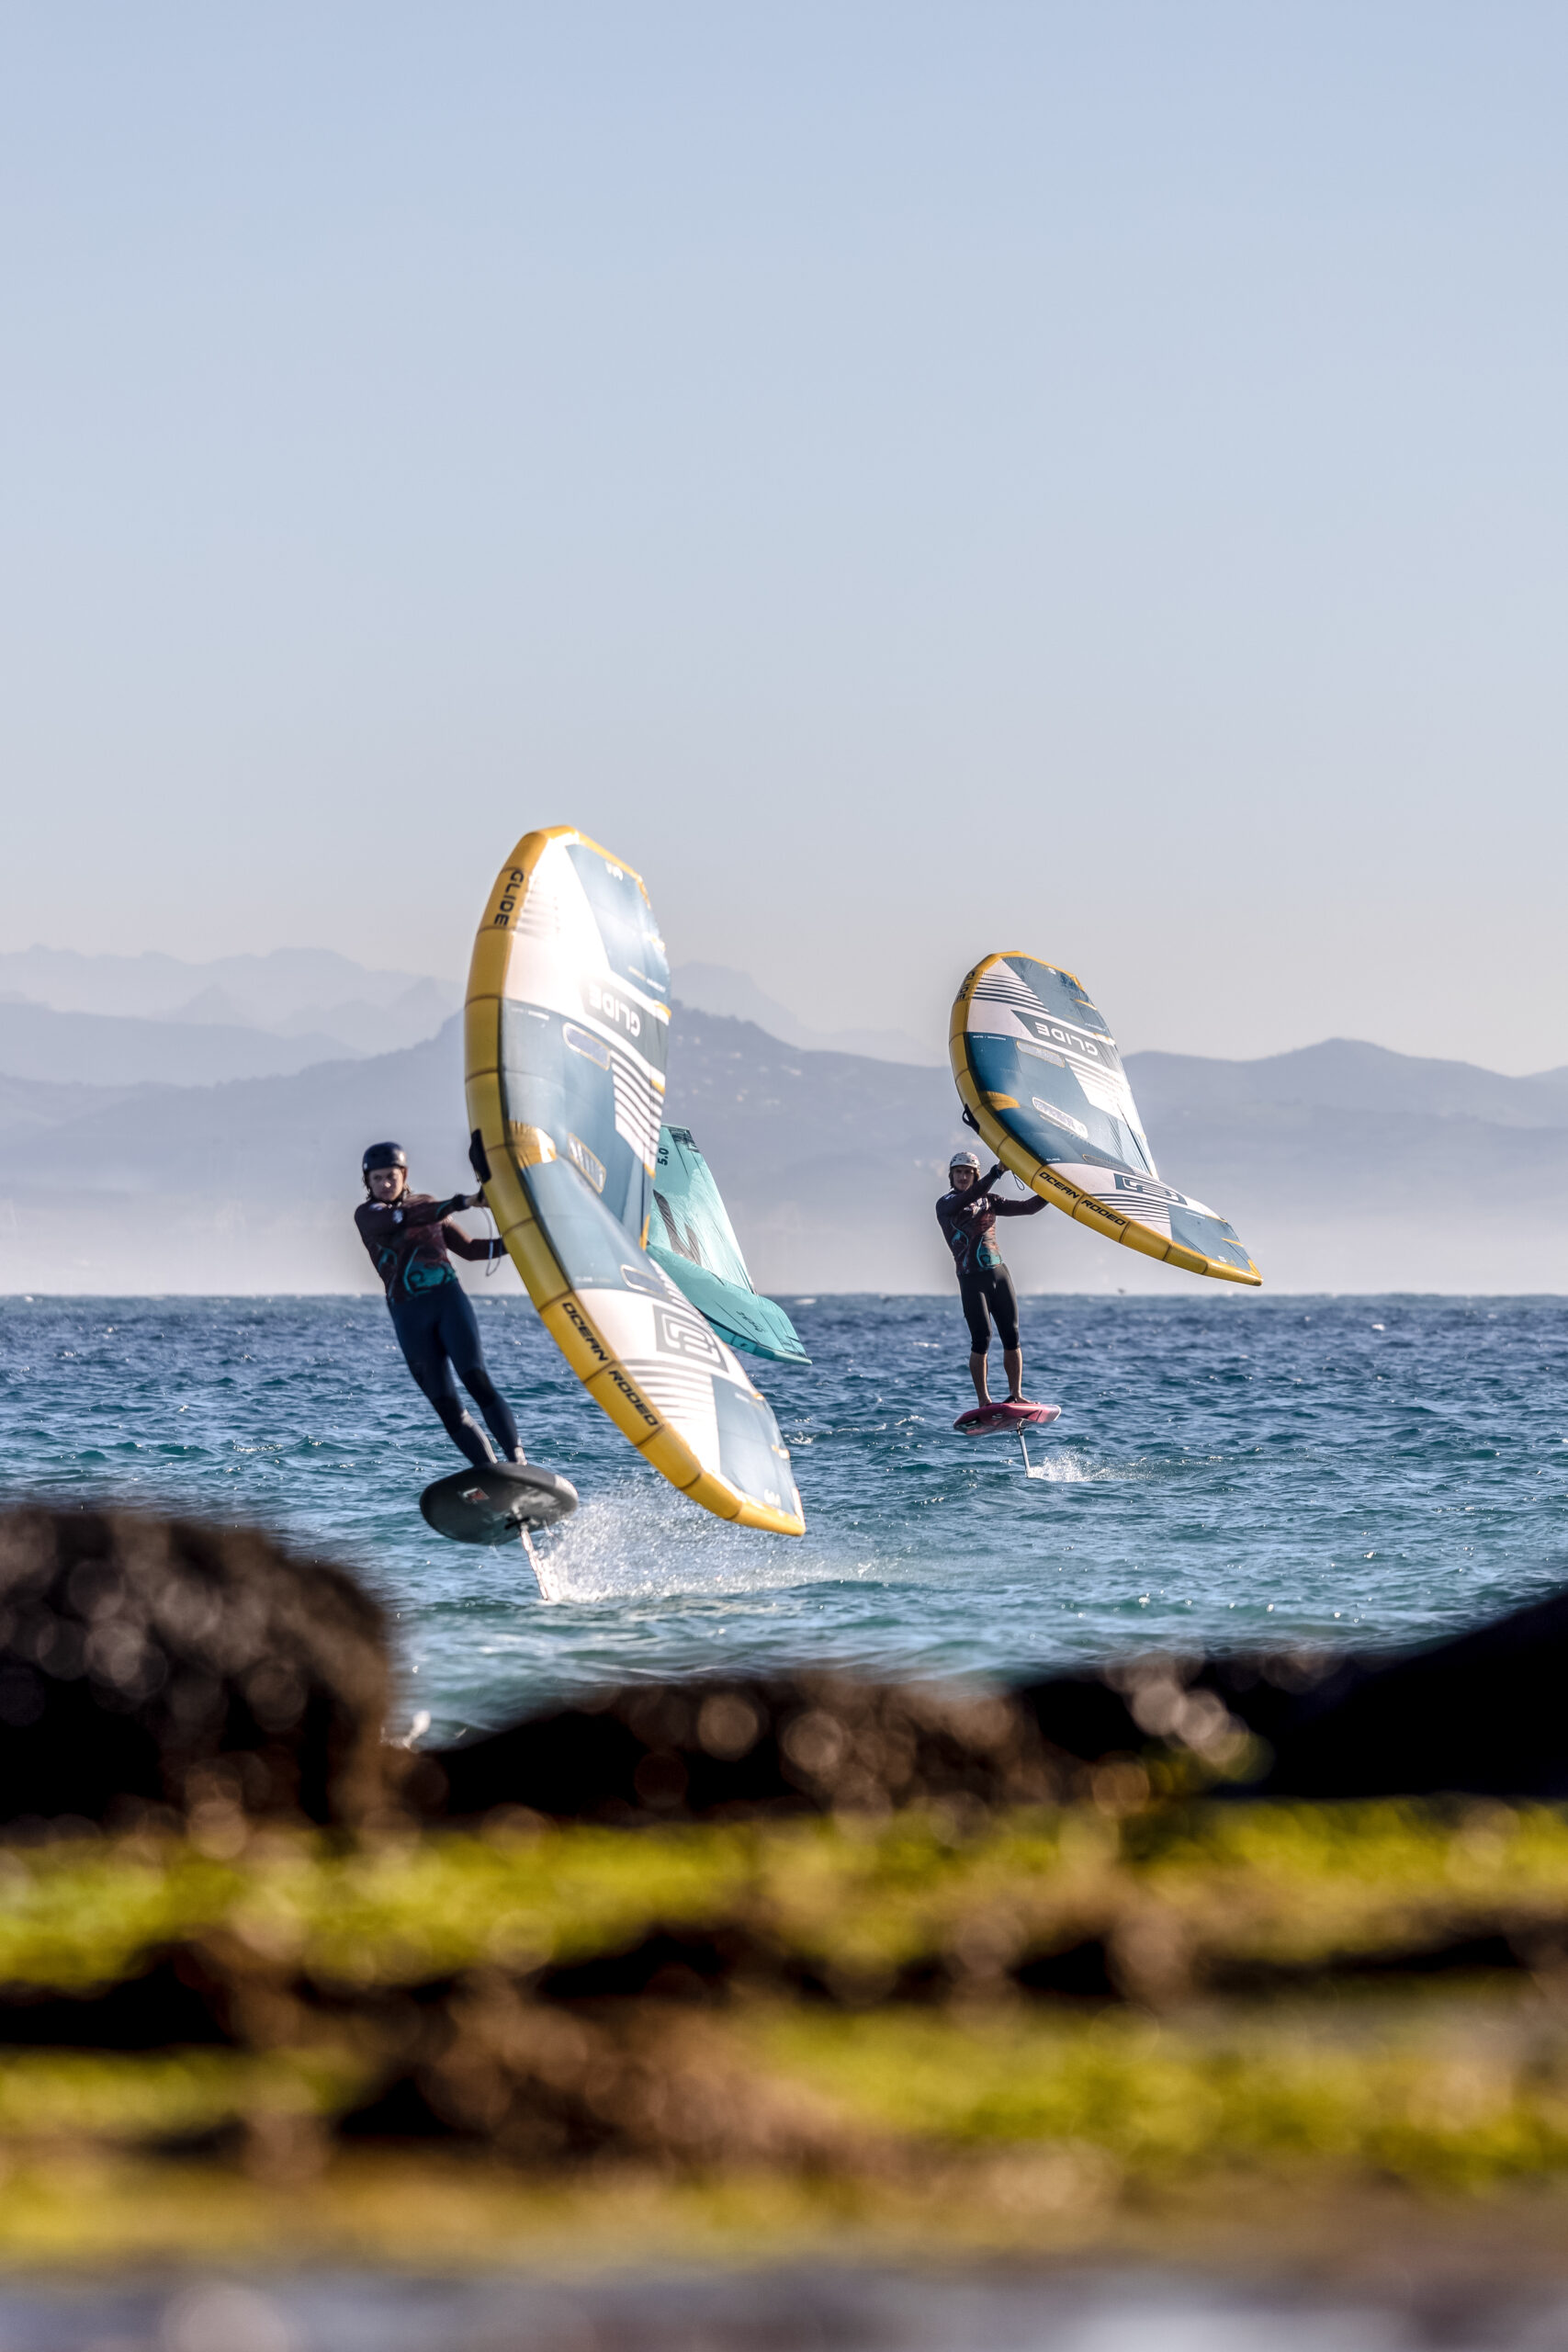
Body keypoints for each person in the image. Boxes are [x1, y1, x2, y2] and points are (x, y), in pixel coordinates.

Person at [354, 1142, 525, 1471]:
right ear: (368, 1183)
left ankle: (517, 1460)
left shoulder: (429, 1207)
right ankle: (491, 1474)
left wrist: (519, 1239)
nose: (385, 1184)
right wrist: (465, 1202)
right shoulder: (368, 1216)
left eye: (391, 1176)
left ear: (404, 1175)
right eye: (377, 1179)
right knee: (447, 1406)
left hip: (448, 1303)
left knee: (477, 1381)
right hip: (408, 1317)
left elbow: (472, 1249)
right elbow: (402, 1219)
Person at [935, 1148, 1046, 1408]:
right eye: (958, 1172)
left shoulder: (989, 1200)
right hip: (971, 1279)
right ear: (951, 1176)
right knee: (981, 1339)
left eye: (968, 1172)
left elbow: (1028, 1208)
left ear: (975, 1175)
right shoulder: (945, 1204)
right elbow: (966, 1199)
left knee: (1012, 1335)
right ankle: (984, 1401)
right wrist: (997, 1171)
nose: (963, 1177)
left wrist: (1055, 1193)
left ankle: (1016, 1394)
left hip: (999, 1274)